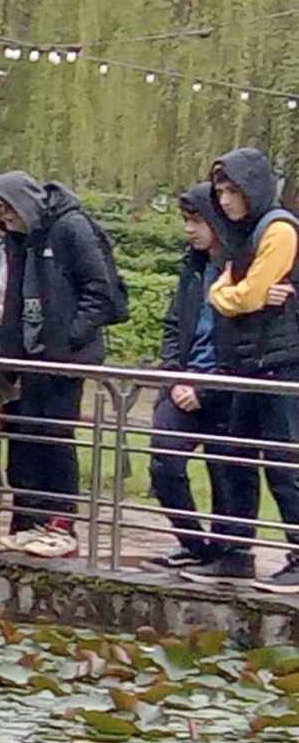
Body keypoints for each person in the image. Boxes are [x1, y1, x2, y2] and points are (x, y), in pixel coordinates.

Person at [0, 170, 120, 558]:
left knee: (55, 437)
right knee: (25, 437)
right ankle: (28, 520)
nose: (6, 223)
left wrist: (70, 337)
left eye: (9, 214)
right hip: (28, 356)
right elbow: (14, 297)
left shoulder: (71, 228)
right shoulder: (18, 239)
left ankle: (61, 523)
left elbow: (101, 291)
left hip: (63, 357)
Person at [196, 148, 299, 584]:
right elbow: (247, 292)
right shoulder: (240, 235)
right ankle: (235, 552)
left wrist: (223, 294)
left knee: (283, 464)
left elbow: (248, 294)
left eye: (232, 191)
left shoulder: (278, 229)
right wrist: (237, 294)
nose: (224, 200)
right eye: (220, 192)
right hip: (247, 362)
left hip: (278, 362)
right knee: (235, 459)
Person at [151, 183, 233, 572]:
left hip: (225, 387)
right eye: (186, 220)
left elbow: (246, 340)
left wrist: (206, 388)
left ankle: (227, 552)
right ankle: (194, 543)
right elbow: (174, 326)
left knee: (227, 473)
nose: (189, 229)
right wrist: (175, 376)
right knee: (164, 463)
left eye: (197, 220)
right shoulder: (193, 269)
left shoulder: (242, 267)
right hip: (184, 379)